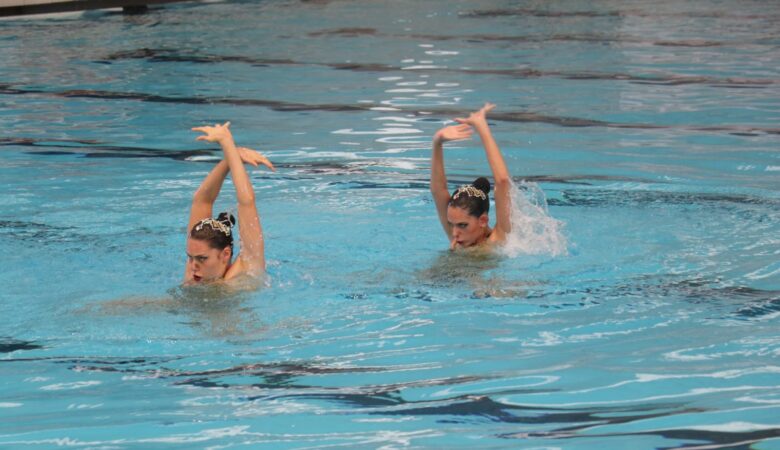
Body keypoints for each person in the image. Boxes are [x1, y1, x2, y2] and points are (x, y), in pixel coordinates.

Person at [185, 122, 274, 284]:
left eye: (202, 259)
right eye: (190, 257)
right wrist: (233, 156)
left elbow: (246, 201)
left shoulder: (245, 274)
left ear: (225, 255)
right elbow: (201, 200)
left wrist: (227, 142)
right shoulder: (197, 273)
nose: (192, 266)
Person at [430, 103, 512, 251]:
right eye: (451, 224)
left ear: (483, 220)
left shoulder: (497, 241)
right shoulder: (460, 238)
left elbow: (502, 181)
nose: (454, 233)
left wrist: (481, 125)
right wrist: (437, 142)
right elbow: (438, 190)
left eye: (462, 225)